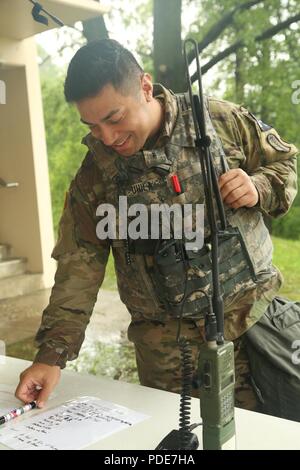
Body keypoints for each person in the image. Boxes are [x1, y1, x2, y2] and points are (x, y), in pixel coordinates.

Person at [15, 39, 298, 411]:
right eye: (92, 126)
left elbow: (286, 165)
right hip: (165, 357)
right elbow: (77, 268)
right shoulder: (95, 176)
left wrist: (257, 187)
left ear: (145, 88)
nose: (108, 137)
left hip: (250, 327)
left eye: (114, 118)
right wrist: (51, 355)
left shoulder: (218, 122)